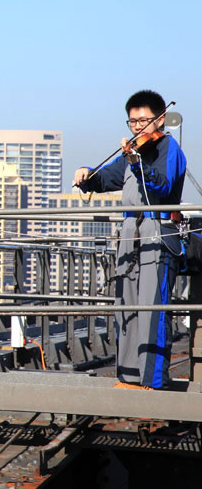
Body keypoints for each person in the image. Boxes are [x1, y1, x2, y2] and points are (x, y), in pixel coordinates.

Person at [74, 89, 186, 390]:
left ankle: (153, 380)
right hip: (128, 236)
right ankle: (128, 377)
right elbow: (105, 178)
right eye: (132, 121)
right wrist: (88, 175)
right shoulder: (130, 153)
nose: (138, 127)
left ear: (160, 119)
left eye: (144, 120)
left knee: (152, 307)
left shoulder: (168, 148)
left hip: (157, 233)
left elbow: (162, 185)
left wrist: (138, 163)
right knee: (126, 307)